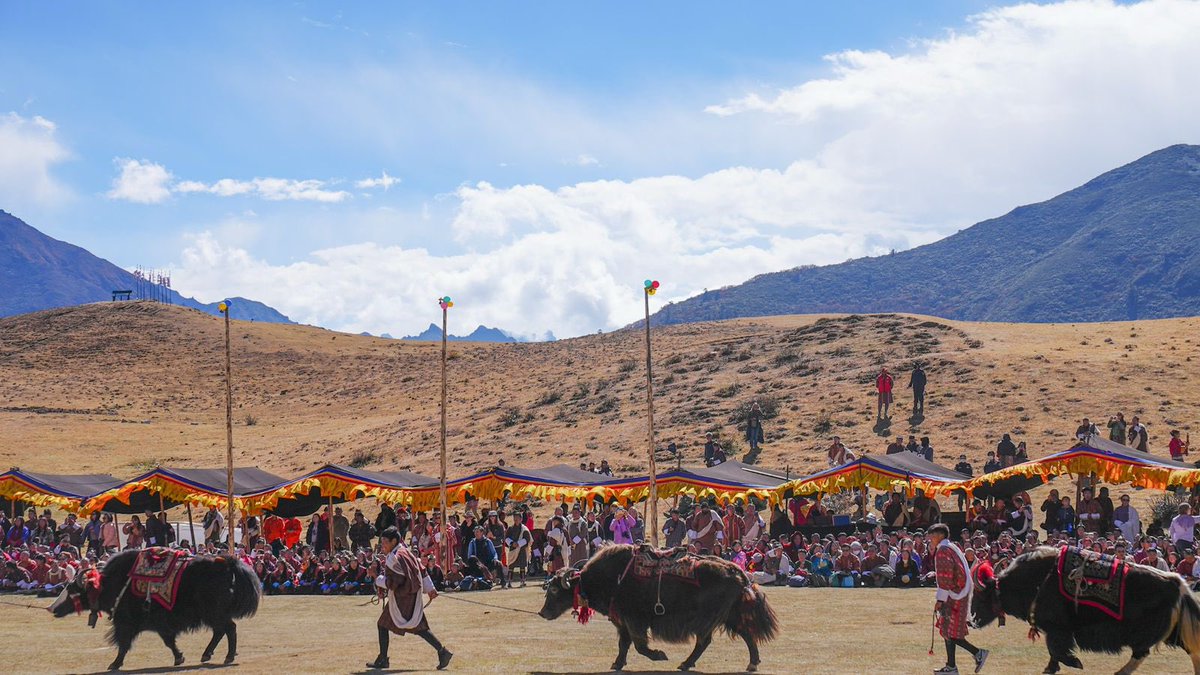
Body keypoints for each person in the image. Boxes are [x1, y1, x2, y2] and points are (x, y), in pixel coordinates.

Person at [366, 527, 452, 670]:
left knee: (386, 625)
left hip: (402, 598)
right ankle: (442, 652)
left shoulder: (395, 557)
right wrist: (430, 589)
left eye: (385, 542)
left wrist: (376, 577)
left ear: (394, 541)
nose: (383, 545)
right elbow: (421, 570)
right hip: (410, 596)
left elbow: (393, 583)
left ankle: (383, 659)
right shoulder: (407, 553)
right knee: (417, 627)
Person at [930, 523, 988, 674]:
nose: (930, 539)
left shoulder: (943, 551)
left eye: (932, 536)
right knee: (947, 629)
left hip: (954, 595)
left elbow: (945, 576)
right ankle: (951, 666)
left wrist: (940, 600)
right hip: (959, 592)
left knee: (950, 631)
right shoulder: (951, 547)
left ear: (940, 535)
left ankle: (977, 653)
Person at [506, 513, 534, 586]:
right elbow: (506, 538)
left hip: (521, 550)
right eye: (514, 518)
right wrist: (512, 543)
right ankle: (509, 581)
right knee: (511, 565)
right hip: (512, 549)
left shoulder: (524, 529)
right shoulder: (510, 528)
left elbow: (527, 539)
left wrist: (519, 543)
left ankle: (523, 581)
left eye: (517, 518)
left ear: (521, 519)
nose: (516, 520)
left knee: (522, 566)